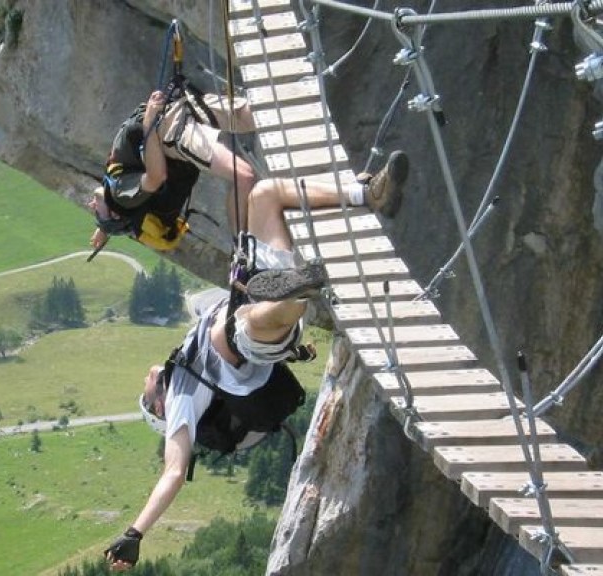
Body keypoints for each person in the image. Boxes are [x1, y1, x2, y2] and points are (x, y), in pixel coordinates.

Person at [103, 150, 410, 571]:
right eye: (146, 392)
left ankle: (366, 194)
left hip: (258, 302)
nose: (147, 378)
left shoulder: (184, 359)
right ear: (158, 406)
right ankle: (293, 292)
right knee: (240, 328)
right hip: (254, 332)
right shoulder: (179, 402)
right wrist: (135, 533)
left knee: (264, 194)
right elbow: (174, 472)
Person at [90, 82, 258, 250]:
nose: (92, 206)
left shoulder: (116, 188)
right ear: (115, 213)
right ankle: (241, 248)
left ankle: (241, 244)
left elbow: (102, 197)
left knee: (259, 113)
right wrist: (149, 122)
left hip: (179, 111)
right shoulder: (121, 196)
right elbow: (155, 177)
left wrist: (104, 228)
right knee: (244, 176)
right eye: (98, 214)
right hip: (173, 132)